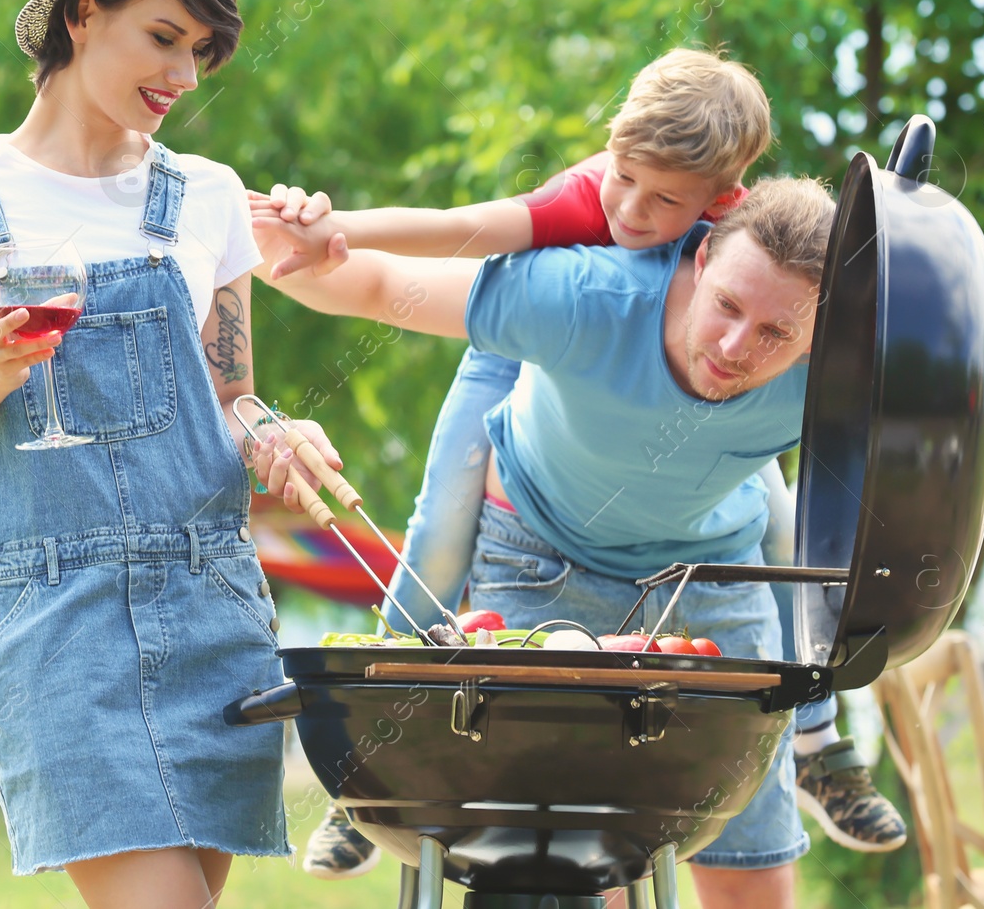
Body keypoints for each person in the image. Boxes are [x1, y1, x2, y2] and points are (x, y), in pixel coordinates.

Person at [250, 175, 984, 909]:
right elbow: (372, 286)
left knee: (751, 867)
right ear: (698, 261)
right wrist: (266, 242)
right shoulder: (583, 296)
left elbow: (978, 377)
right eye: (728, 306)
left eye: (776, 334)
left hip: (709, 580)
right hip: (543, 556)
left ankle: (817, 745)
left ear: (824, 336)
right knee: (579, 860)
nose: (736, 347)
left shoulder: (837, 357)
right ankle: (374, 774)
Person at [255, 50, 903, 873]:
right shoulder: (586, 218)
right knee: (443, 518)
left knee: (784, 528)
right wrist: (332, 231)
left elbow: (914, 347)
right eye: (620, 175)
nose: (630, 207)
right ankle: (382, 744)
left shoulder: (757, 267)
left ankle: (816, 738)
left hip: (697, 421)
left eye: (664, 198)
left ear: (721, 204)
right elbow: (464, 229)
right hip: (522, 340)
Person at [0, 0, 339, 909]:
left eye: (201, 51)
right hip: (48, 611)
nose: (185, 72)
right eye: (163, 36)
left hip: (208, 597)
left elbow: (231, 399)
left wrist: (278, 431)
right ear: (83, 10)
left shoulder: (205, 194)